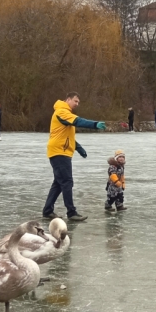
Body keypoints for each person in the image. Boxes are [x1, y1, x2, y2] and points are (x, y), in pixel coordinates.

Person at [42, 92, 106, 221]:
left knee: (59, 183)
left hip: (60, 151)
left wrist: (78, 147)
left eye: (78, 102)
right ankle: (71, 212)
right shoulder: (62, 112)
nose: (77, 104)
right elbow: (78, 121)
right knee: (67, 182)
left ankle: (48, 210)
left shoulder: (64, 113)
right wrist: (94, 124)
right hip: (59, 152)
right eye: (75, 101)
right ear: (68, 99)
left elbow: (64, 136)